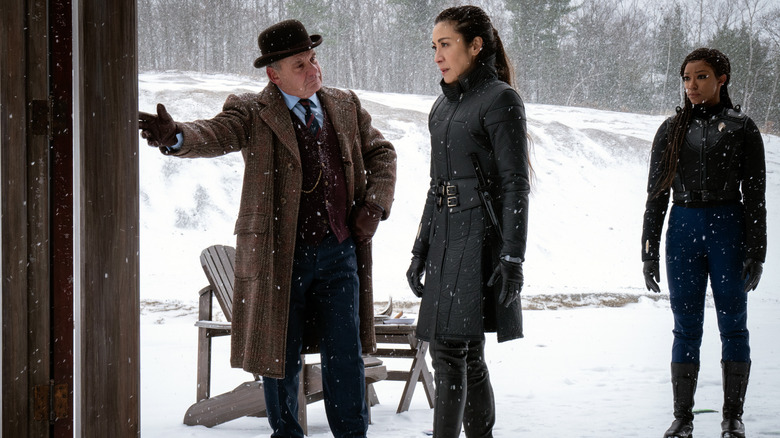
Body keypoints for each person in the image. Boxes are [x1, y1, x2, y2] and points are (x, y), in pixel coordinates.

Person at [138, 19, 396, 438]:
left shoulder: (345, 104)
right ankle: (287, 434)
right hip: (280, 255)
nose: (313, 70)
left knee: (345, 354)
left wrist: (374, 204)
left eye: (313, 59)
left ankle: (353, 434)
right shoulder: (253, 111)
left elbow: (382, 152)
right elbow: (215, 133)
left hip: (339, 251)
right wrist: (177, 136)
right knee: (279, 353)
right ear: (273, 74)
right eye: (300, 65)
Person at [405, 6, 529, 438]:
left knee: (450, 350)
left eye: (446, 44)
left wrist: (513, 256)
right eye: (434, 46)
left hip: (478, 236)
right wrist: (420, 249)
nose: (437, 55)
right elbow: (436, 184)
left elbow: (516, 184)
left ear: (476, 46)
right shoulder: (441, 106)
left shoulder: (500, 99)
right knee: (465, 352)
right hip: (443, 235)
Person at [641, 48, 766, 438]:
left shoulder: (744, 129)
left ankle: (733, 417)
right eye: (686, 78)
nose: (692, 86)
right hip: (682, 229)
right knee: (685, 327)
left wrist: (756, 252)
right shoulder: (671, 130)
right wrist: (648, 251)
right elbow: (656, 195)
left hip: (728, 228)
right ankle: (683, 417)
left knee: (734, 327)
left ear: (722, 78)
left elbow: (756, 196)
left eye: (701, 77)